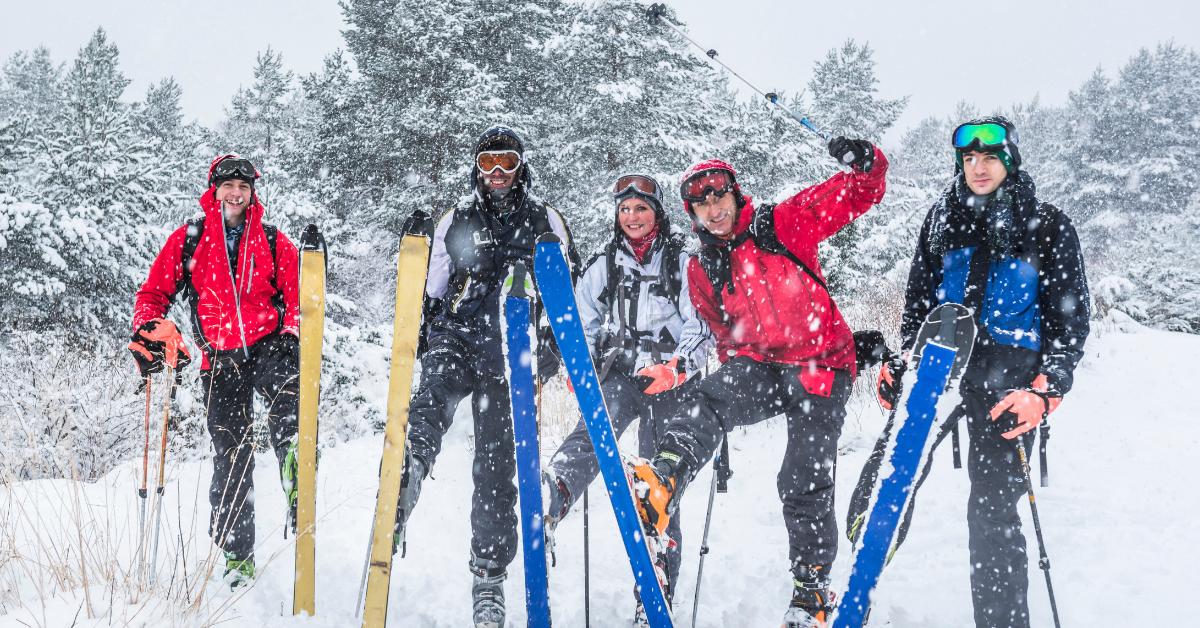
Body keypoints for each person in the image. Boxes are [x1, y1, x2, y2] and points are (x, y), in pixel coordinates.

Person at [634, 137, 889, 628]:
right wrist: (731, 380)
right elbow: (721, 330)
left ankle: (811, 592)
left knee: (801, 477)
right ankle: (663, 482)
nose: (713, 208)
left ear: (735, 195)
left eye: (719, 197)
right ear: (691, 212)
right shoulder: (701, 264)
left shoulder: (782, 223)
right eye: (701, 203)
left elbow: (860, 192)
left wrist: (866, 163)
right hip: (763, 366)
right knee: (704, 400)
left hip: (821, 364)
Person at [860, 116, 1089, 628]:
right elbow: (919, 304)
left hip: (1010, 385)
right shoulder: (942, 220)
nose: (977, 168)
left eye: (989, 158)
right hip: (938, 372)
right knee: (884, 485)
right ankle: (851, 593)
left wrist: (1044, 392)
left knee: (993, 515)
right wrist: (904, 363)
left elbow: (1069, 321)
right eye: (968, 159)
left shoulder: (1046, 224)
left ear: (1009, 161)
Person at [398, 126, 580, 628]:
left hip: (513, 356)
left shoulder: (545, 220)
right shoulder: (457, 220)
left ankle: (488, 575)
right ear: (476, 168)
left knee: (496, 469)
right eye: (487, 164)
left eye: (506, 163)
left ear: (521, 166)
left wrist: (549, 354)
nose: (497, 174)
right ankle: (404, 476)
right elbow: (432, 292)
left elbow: (570, 298)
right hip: (459, 338)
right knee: (432, 399)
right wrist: (427, 340)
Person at [540, 173, 714, 624]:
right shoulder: (605, 262)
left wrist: (677, 367)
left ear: (656, 212)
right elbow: (582, 316)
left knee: (658, 484)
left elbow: (701, 325)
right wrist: (579, 368)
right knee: (593, 434)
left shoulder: (681, 259)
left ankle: (655, 583)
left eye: (641, 208)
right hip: (620, 372)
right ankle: (554, 493)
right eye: (625, 209)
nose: (632, 217)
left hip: (670, 380)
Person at [130, 154, 302, 588]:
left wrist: (292, 332)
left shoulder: (272, 240)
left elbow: (300, 301)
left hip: (269, 348)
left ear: (252, 193)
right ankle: (237, 555)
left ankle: (298, 471)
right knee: (231, 454)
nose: (237, 192)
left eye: (244, 186)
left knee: (289, 409)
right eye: (229, 185)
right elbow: (153, 294)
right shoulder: (191, 240)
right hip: (219, 359)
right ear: (214, 189)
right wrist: (152, 328)